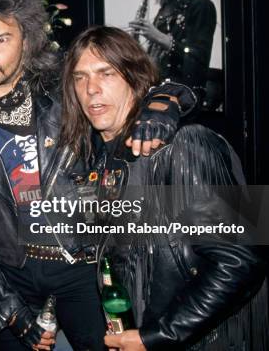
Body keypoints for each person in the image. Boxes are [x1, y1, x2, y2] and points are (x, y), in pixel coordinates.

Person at [0, 0, 196, 351]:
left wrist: (166, 100)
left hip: (82, 263)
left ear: (27, 39)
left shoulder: (65, 85)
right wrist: (13, 312)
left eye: (1, 39)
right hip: (11, 272)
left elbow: (134, 78)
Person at [60, 25, 267, 350]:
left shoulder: (186, 143)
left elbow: (242, 258)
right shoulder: (102, 161)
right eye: (80, 77)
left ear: (134, 78)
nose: (92, 89)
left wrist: (157, 336)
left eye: (107, 73)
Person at [129, 0, 217, 89]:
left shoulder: (200, 5)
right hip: (155, 95)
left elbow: (198, 62)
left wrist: (160, 38)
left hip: (181, 101)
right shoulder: (161, 12)